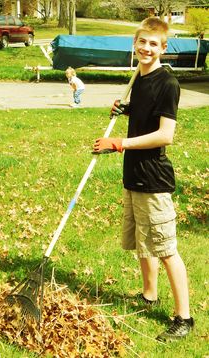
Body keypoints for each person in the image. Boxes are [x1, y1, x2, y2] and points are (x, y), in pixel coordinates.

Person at [93, 17, 194, 342]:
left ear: (163, 48)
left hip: (153, 179)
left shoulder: (168, 83)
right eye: (142, 42)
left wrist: (119, 143)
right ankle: (149, 295)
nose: (147, 48)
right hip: (133, 174)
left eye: (154, 44)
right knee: (143, 242)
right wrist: (126, 110)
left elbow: (165, 135)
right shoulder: (139, 77)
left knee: (165, 249)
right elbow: (143, 115)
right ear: (135, 44)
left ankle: (184, 317)